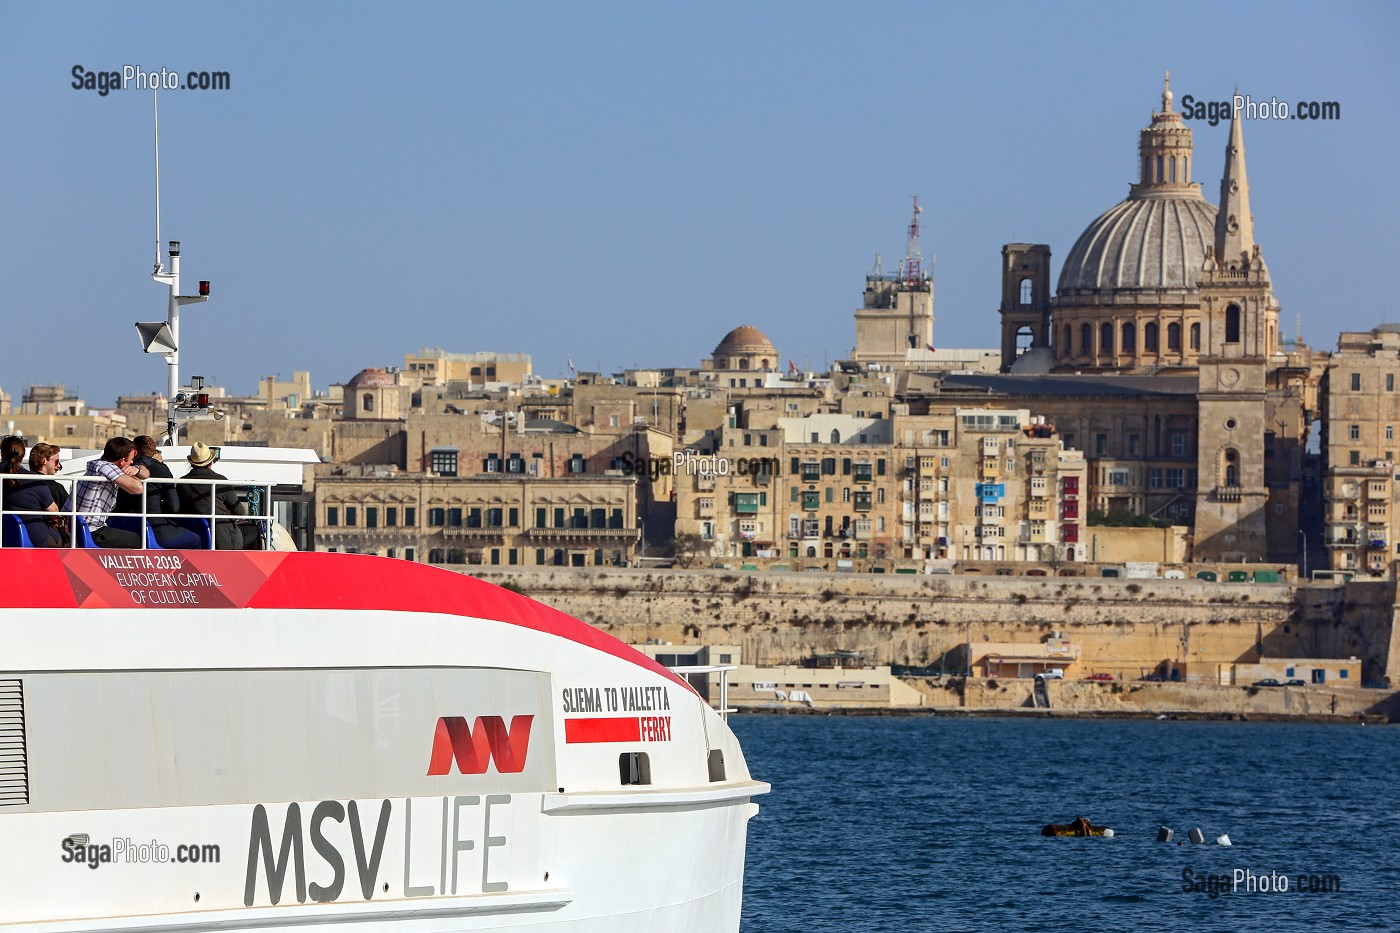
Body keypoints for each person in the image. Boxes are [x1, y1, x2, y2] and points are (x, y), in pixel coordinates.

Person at [114, 435, 202, 548]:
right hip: (153, 529)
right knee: (196, 539)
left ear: (134, 452)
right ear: (153, 451)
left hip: (123, 526)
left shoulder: (123, 467)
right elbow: (174, 507)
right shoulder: (161, 469)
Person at [179, 442, 259, 549]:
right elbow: (240, 512)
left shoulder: (182, 483)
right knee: (255, 530)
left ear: (192, 463)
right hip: (222, 538)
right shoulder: (220, 481)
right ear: (210, 462)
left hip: (196, 535)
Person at [73, 437, 149, 548]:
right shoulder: (105, 467)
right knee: (136, 539)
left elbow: (146, 473)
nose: (132, 462)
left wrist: (136, 469)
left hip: (78, 526)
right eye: (131, 459)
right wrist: (133, 475)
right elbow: (138, 488)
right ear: (122, 461)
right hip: (92, 530)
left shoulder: (98, 464)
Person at [2, 437, 64, 547]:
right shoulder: (35, 480)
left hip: (4, 533)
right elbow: (54, 510)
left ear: (2, 452)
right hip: (33, 535)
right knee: (67, 540)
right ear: (22, 454)